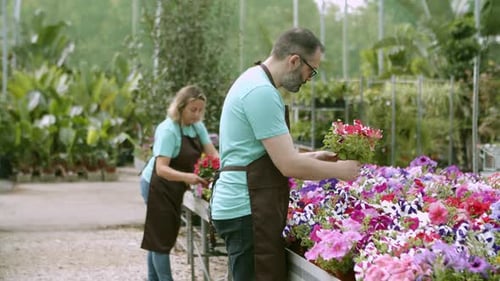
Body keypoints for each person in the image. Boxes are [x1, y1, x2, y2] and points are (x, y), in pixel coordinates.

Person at [210, 27, 361, 281]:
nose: (309, 77)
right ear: (293, 60)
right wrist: (341, 171)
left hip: (245, 206)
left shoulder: (253, 80)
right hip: (248, 209)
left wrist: (313, 157)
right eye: (310, 70)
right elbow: (287, 165)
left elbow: (259, 154)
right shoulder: (261, 92)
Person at [140, 85, 218, 281]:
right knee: (162, 238)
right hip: (156, 185)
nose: (197, 114)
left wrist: (223, 169)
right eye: (193, 110)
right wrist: (189, 177)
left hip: (175, 186)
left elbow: (213, 154)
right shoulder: (169, 130)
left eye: (200, 110)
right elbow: (161, 169)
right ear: (180, 107)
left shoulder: (197, 128)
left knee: (158, 238)